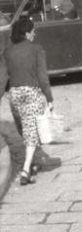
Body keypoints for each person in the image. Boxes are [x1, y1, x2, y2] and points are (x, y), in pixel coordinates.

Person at [4, 15, 57, 185]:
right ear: (27, 33)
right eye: (33, 31)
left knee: (25, 131)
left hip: (14, 95)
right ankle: (26, 169)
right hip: (31, 94)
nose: (34, 34)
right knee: (31, 132)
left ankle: (32, 165)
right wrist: (49, 97)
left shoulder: (8, 51)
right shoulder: (36, 49)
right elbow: (42, 77)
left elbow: (3, 77)